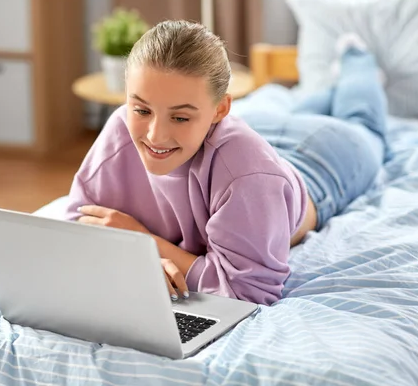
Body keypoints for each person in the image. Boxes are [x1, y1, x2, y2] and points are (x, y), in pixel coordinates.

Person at [62, 20, 388, 306]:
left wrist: (146, 246)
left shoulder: (252, 177)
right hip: (261, 129)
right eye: (142, 109)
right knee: (293, 105)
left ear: (220, 110)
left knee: (363, 123)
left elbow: (247, 291)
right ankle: (321, 91)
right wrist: (134, 260)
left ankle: (355, 57)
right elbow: (79, 226)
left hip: (323, 159)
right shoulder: (121, 129)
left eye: (180, 116)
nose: (155, 135)